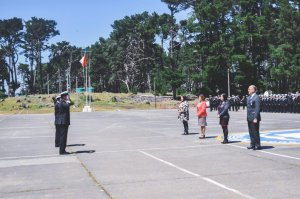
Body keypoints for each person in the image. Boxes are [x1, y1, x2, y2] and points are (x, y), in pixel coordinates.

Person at [246, 85, 262, 150]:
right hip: (249, 117)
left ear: (253, 90)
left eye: (249, 89)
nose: (248, 90)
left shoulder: (256, 97)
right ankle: (252, 144)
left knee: (255, 132)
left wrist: (255, 117)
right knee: (251, 131)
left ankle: (257, 145)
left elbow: (257, 108)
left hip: (254, 118)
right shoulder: (249, 97)